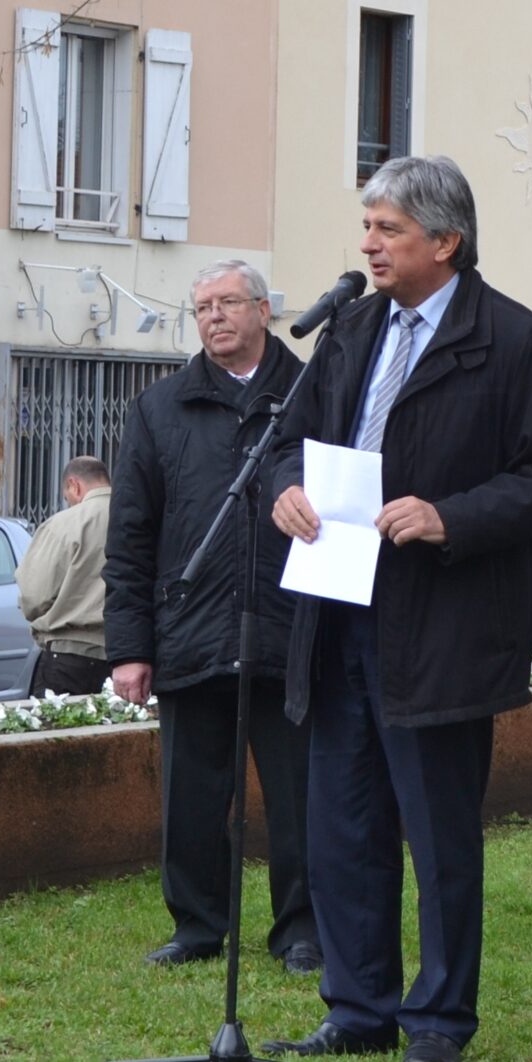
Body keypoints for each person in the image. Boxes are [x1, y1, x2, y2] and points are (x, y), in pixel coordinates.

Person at [267, 156, 532, 1062]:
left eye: (389, 230)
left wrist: (450, 518)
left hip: (441, 623)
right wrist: (285, 491)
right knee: (343, 824)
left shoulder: (514, 342)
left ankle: (439, 1018)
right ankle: (357, 1006)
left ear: (446, 242)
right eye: (367, 228)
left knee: (437, 834)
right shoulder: (350, 332)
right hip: (339, 613)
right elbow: (292, 441)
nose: (369, 245)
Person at [103, 260, 321, 973]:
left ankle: (301, 931)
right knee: (192, 800)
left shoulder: (311, 394)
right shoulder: (160, 409)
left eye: (229, 302)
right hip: (191, 633)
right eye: (202, 307)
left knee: (299, 801)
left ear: (264, 309)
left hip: (291, 634)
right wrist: (129, 648)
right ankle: (197, 926)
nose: (214, 317)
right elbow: (131, 535)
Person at [17, 456, 114, 696]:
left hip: (68, 656)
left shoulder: (63, 524)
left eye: (66, 495)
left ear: (74, 485)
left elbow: (34, 597)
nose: (69, 501)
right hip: (127, 656)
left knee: (60, 731)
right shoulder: (140, 519)